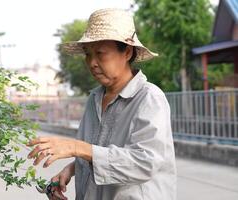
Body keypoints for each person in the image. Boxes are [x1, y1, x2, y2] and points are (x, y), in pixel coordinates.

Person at [27, 8, 176, 200]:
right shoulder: (95, 99)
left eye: (100, 53)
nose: (92, 63)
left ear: (127, 52)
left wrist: (76, 148)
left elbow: (145, 163)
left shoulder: (149, 98)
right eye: (88, 54)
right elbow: (100, 152)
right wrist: (71, 169)